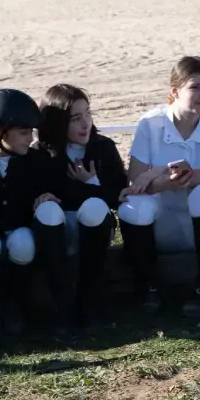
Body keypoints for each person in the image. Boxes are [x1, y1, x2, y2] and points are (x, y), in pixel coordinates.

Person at [119, 56, 200, 318]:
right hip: (165, 226)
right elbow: (135, 182)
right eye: (195, 87)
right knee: (132, 207)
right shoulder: (149, 123)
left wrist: (160, 172)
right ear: (174, 92)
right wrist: (164, 181)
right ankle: (148, 287)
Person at [0, 89, 67, 335]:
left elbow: (53, 188)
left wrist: (50, 195)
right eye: (23, 133)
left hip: (19, 228)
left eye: (31, 132)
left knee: (23, 242)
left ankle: (15, 306)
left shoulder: (37, 161)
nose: (29, 138)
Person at [38, 84, 128, 327]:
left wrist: (92, 183)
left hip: (94, 228)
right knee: (47, 211)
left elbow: (119, 194)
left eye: (88, 114)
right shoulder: (41, 153)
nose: (85, 123)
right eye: (75, 118)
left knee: (95, 207)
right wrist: (42, 196)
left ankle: (90, 303)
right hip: (56, 229)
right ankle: (63, 307)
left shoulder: (103, 147)